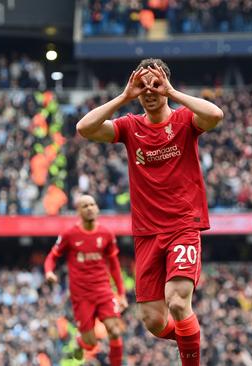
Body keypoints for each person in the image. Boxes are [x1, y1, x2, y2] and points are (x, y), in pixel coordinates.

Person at [76, 58, 224, 365]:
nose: (149, 91)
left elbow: (215, 115)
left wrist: (173, 92)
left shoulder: (185, 120)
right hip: (146, 233)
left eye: (155, 84)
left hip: (183, 225)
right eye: (143, 86)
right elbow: (84, 128)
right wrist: (123, 97)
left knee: (178, 301)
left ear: (166, 86)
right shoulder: (130, 127)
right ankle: (190, 336)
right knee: (154, 321)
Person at [44, 195, 127, 365]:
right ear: (78, 211)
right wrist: (49, 272)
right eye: (85, 206)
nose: (89, 208)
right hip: (81, 295)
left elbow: (114, 265)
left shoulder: (106, 234)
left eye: (92, 204)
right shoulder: (69, 235)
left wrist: (122, 294)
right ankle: (81, 340)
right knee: (90, 344)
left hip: (103, 290)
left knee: (115, 330)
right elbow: (52, 256)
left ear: (97, 208)